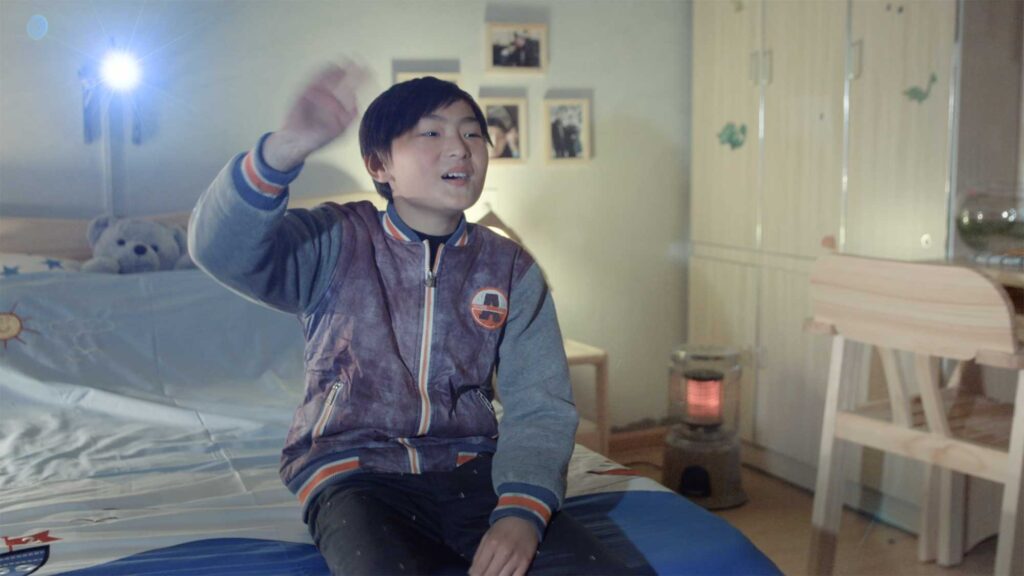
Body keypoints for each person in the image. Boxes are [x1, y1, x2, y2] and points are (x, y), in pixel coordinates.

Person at [189, 66, 628, 575]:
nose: (459, 148)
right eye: (432, 133)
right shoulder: (335, 240)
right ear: (380, 165)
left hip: (474, 474)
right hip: (357, 476)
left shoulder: (510, 268)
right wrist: (285, 148)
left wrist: (522, 512)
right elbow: (218, 250)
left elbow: (540, 405)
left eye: (472, 134)